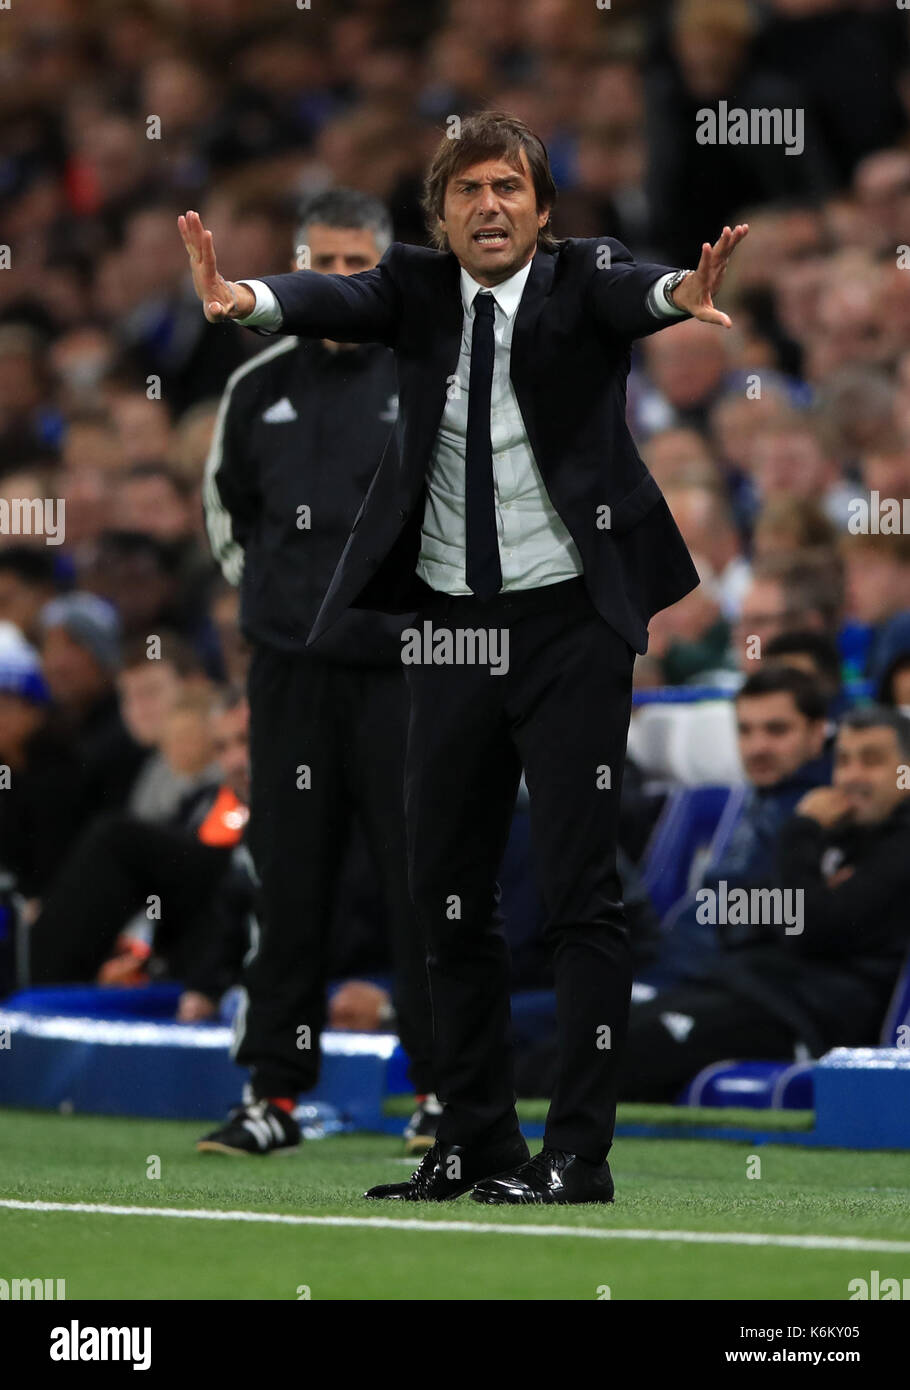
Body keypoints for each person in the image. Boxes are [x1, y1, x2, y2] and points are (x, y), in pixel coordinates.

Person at [180, 110, 747, 1205]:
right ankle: (471, 1140)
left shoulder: (584, 279)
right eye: (467, 192)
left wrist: (681, 294)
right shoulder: (412, 289)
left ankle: (576, 1154)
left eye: (509, 189)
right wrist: (243, 297)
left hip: (570, 619)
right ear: (439, 217)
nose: (489, 206)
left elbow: (642, 292)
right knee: (443, 887)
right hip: (445, 625)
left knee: (580, 893)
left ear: (542, 208)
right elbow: (328, 298)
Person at [198, 189, 436, 1158]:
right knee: (288, 885)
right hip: (291, 677)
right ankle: (274, 1096)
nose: (338, 283)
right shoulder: (255, 387)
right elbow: (228, 517)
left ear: (383, 270)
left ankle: (447, 1092)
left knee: (426, 881)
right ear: (296, 270)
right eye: (322, 265)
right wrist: (286, 612)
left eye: (355, 267)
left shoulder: (427, 376)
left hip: (402, 675)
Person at [620, 705, 910, 1101]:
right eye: (843, 761)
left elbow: (809, 928)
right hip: (744, 987)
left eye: (872, 761)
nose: (852, 776)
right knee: (581, 1040)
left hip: (804, 1018)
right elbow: (735, 914)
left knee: (617, 1057)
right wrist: (811, 901)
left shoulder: (891, 846)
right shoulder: (837, 835)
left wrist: (801, 834)